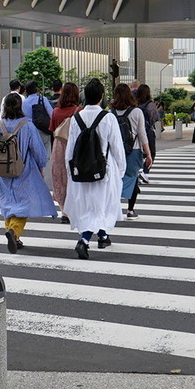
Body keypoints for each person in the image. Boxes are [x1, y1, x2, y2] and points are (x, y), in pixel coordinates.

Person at [0, 92, 56, 253]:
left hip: (2, 170)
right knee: (23, 204)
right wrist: (41, 166)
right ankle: (14, 232)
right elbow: (37, 150)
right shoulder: (27, 125)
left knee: (8, 202)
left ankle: (12, 234)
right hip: (23, 169)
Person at [64, 78, 126, 258]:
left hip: (81, 171)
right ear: (102, 96)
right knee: (102, 207)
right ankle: (84, 241)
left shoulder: (76, 118)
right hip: (103, 170)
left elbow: (70, 149)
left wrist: (71, 171)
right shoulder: (108, 118)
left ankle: (103, 236)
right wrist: (121, 170)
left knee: (88, 207)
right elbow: (117, 147)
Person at [110, 83, 153, 219]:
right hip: (133, 150)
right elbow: (142, 134)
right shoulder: (137, 111)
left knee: (116, 179)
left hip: (115, 152)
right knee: (132, 178)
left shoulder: (111, 113)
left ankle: (114, 208)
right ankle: (130, 210)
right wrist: (148, 153)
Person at [50, 82, 81, 224]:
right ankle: (74, 208)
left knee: (59, 177)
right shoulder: (78, 110)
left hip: (58, 145)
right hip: (74, 146)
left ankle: (64, 211)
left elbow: (52, 129)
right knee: (73, 176)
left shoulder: (55, 111)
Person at [134, 84, 160, 182]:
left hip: (135, 132)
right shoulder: (151, 104)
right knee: (151, 152)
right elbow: (155, 118)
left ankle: (136, 172)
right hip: (148, 131)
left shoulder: (135, 104)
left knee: (137, 152)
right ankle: (145, 172)